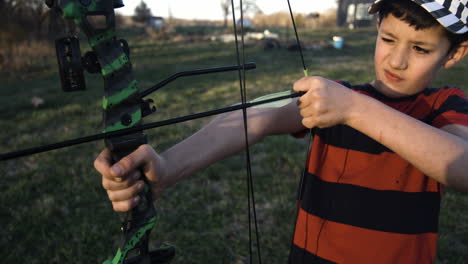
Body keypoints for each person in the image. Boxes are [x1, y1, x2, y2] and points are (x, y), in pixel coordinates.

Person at [94, 0, 468, 263]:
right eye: (388, 39)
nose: (397, 60)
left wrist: (354, 109)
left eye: (420, 48)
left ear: (454, 54)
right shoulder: (335, 98)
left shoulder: (442, 106)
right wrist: (169, 166)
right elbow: (259, 115)